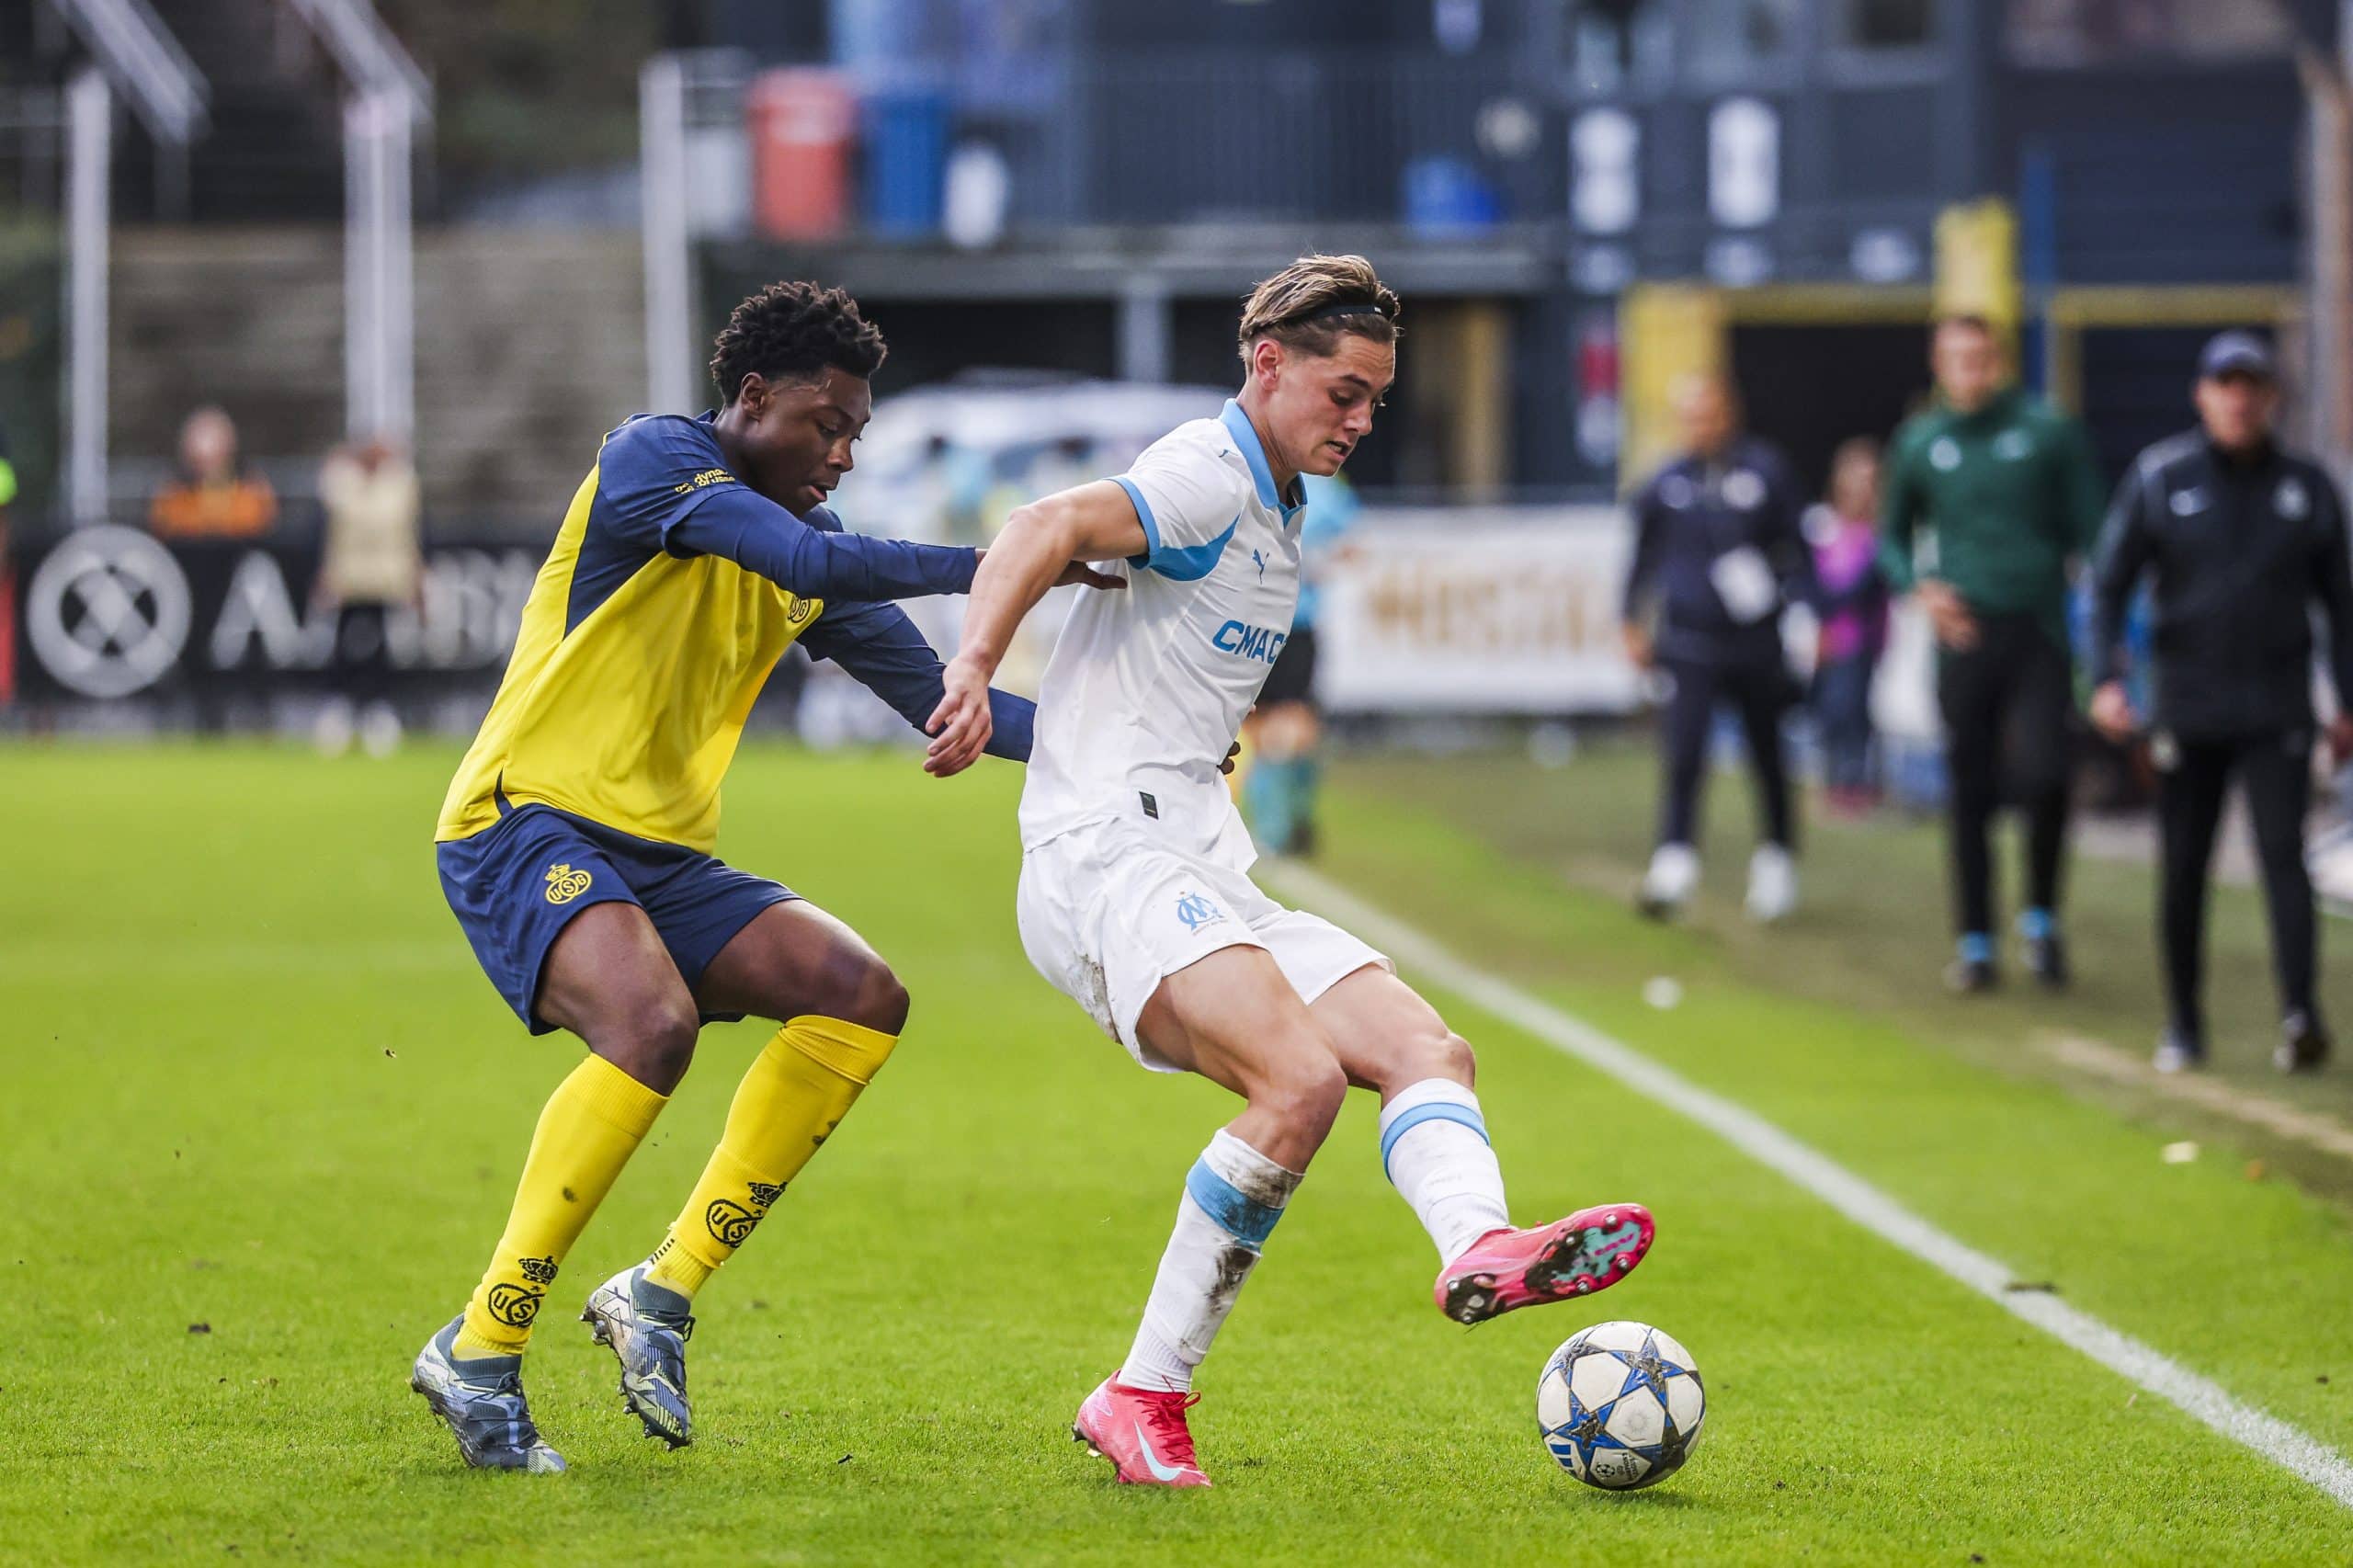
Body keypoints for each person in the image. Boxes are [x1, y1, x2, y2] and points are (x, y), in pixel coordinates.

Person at [927, 255, 1654, 1489]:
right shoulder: (1208, 472)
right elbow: (1041, 525)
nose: (1361, 421)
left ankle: (1478, 1244)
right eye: (1345, 393)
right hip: (1107, 856)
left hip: (1198, 856)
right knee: (1301, 1081)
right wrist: (971, 666)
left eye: (1375, 399)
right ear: (1267, 365)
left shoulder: (1276, 497)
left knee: (1427, 1051)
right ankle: (1141, 1395)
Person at [410, 280, 1119, 1473]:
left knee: (859, 991)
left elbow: (965, 709)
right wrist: (1004, 559)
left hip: (658, 855)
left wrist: (1145, 749)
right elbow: (794, 548)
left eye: (856, 434)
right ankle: (482, 1343)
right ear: (751, 398)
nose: (841, 453)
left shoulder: (811, 558)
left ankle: (661, 1290)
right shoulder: (655, 461)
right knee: (652, 1023)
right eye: (824, 424)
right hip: (521, 819)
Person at [2089, 331, 2353, 1074]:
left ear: (2270, 397)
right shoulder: (2162, 476)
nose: (2238, 399)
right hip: (2187, 702)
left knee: (2284, 859)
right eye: (2225, 385)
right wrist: (2107, 679)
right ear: (2203, 394)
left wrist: (2348, 702)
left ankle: (2302, 1015)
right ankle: (2182, 1020)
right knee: (2183, 865)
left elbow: (2340, 602)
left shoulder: (2308, 486)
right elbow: (2109, 584)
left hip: (2278, 703)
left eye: (2251, 385)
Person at [1881, 314, 2105, 993]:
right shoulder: (1921, 441)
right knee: (1969, 791)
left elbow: (2094, 530)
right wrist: (1920, 587)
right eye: (1956, 359)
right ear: (1937, 363)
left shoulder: (2047, 433)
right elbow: (1890, 539)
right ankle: (1975, 939)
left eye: (1980, 358)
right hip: (1963, 635)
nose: (1969, 372)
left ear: (1999, 360)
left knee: (2043, 775)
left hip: (2035, 628)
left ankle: (2041, 918)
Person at [1621, 373, 1815, 923]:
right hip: (1689, 642)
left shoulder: (1765, 471)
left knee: (1768, 754)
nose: (1700, 426)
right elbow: (1642, 558)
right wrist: (1631, 622)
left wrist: (1808, 615)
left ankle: (1778, 858)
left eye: (1709, 414)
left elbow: (1799, 550)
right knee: (1684, 752)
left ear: (1730, 413)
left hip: (1756, 644)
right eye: (1691, 416)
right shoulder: (1666, 482)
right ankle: (1675, 859)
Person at [1241, 467, 1358, 855]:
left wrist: (1313, 564)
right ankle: (1284, 818)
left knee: (1290, 718)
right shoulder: (1252, 478)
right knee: (1266, 721)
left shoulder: (1323, 489)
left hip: (1294, 622)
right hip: (1261, 620)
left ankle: (1280, 823)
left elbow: (1352, 546)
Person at [313, 436, 423, 757]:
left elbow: (411, 533)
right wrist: (324, 575)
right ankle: (340, 712)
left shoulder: (401, 485)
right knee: (343, 648)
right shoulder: (339, 482)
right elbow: (325, 532)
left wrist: (415, 576)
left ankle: (379, 712)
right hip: (347, 581)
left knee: (381, 650)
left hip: (387, 582)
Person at [1808, 437, 1891, 814]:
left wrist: (1831, 603)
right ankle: (1835, 782)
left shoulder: (1880, 534)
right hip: (1827, 637)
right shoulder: (1824, 526)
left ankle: (1857, 784)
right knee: (1830, 712)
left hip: (1861, 638)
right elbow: (1810, 579)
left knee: (1854, 710)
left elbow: (1864, 587)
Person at [148, 405, 278, 538]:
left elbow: (260, 526)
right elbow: (164, 528)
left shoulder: (252, 490)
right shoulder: (172, 494)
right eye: (199, 459)